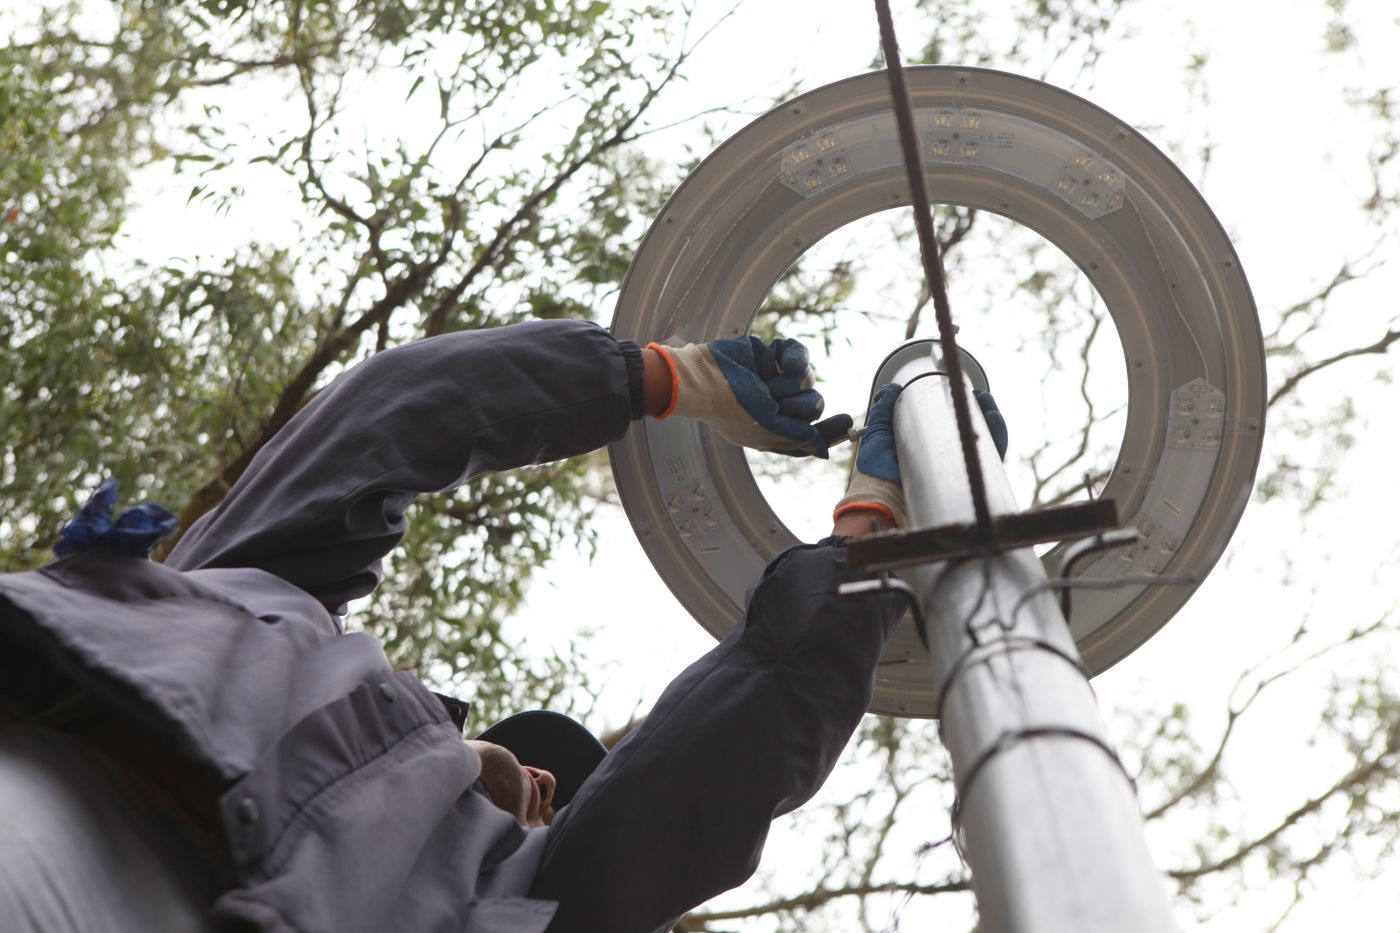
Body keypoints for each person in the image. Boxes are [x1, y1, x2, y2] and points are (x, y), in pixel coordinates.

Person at [0, 319, 1001, 932]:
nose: (546, 784)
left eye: (553, 801)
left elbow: (718, 756)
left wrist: (868, 535)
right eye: (539, 768)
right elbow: (383, 422)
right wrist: (659, 378)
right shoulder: (255, 616)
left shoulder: (519, 902)